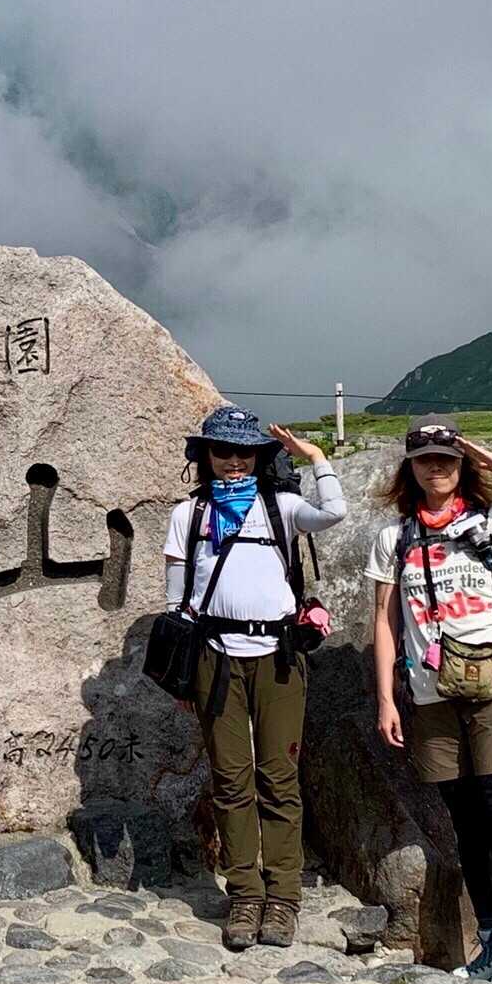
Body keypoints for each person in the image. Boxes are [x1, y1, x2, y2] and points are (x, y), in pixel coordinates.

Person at [366, 414, 492, 984]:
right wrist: (387, 699)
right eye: (425, 459)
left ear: (463, 465)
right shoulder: (393, 538)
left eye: (447, 459)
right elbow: (385, 623)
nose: (436, 468)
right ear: (410, 467)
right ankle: (489, 941)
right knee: (465, 821)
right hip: (431, 693)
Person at [163, 406, 346, 951]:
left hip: (278, 656)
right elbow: (176, 601)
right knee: (230, 779)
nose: (234, 461)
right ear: (206, 456)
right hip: (214, 656)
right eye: (223, 451)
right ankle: (244, 893)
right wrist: (183, 679)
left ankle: (283, 897)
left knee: (279, 777)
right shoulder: (188, 515)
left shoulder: (282, 506)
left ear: (260, 457)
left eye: (245, 451)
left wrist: (315, 457)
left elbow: (334, 512)